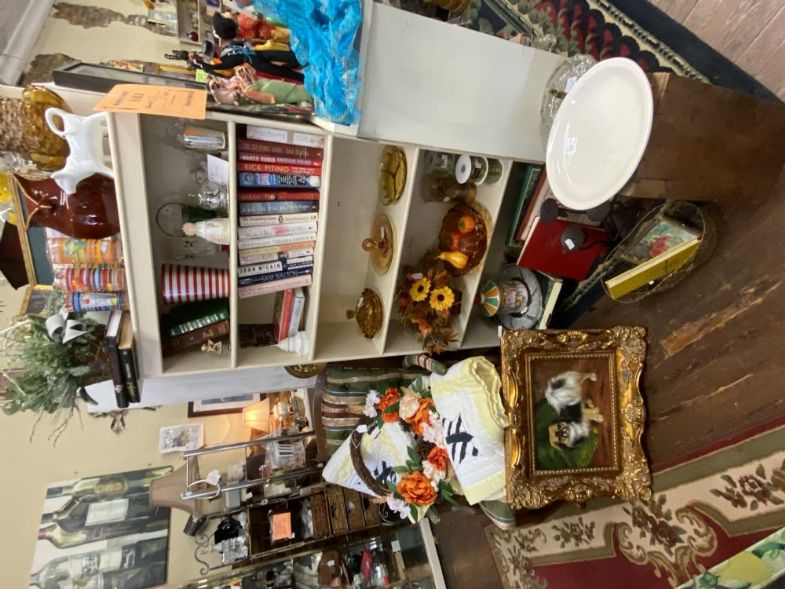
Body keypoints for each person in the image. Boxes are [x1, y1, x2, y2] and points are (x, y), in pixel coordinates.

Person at [208, 64, 312, 106]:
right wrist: (245, 83)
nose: (218, 84)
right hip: (265, 92)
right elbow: (250, 92)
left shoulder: (231, 81)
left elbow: (249, 73)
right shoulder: (231, 97)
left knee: (294, 89)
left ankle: (310, 92)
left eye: (216, 83)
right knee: (293, 92)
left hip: (264, 83)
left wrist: (243, 74)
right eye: (216, 87)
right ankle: (311, 93)